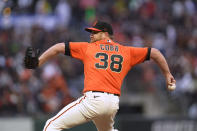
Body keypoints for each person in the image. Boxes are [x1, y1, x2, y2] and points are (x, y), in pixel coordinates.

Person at [24, 21, 176, 131]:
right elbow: (155, 52)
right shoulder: (126, 51)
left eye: (94, 32)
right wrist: (167, 74)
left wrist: (38, 62)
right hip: (113, 104)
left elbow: (58, 47)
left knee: (51, 126)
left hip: (93, 100)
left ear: (105, 34)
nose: (91, 35)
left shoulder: (89, 48)